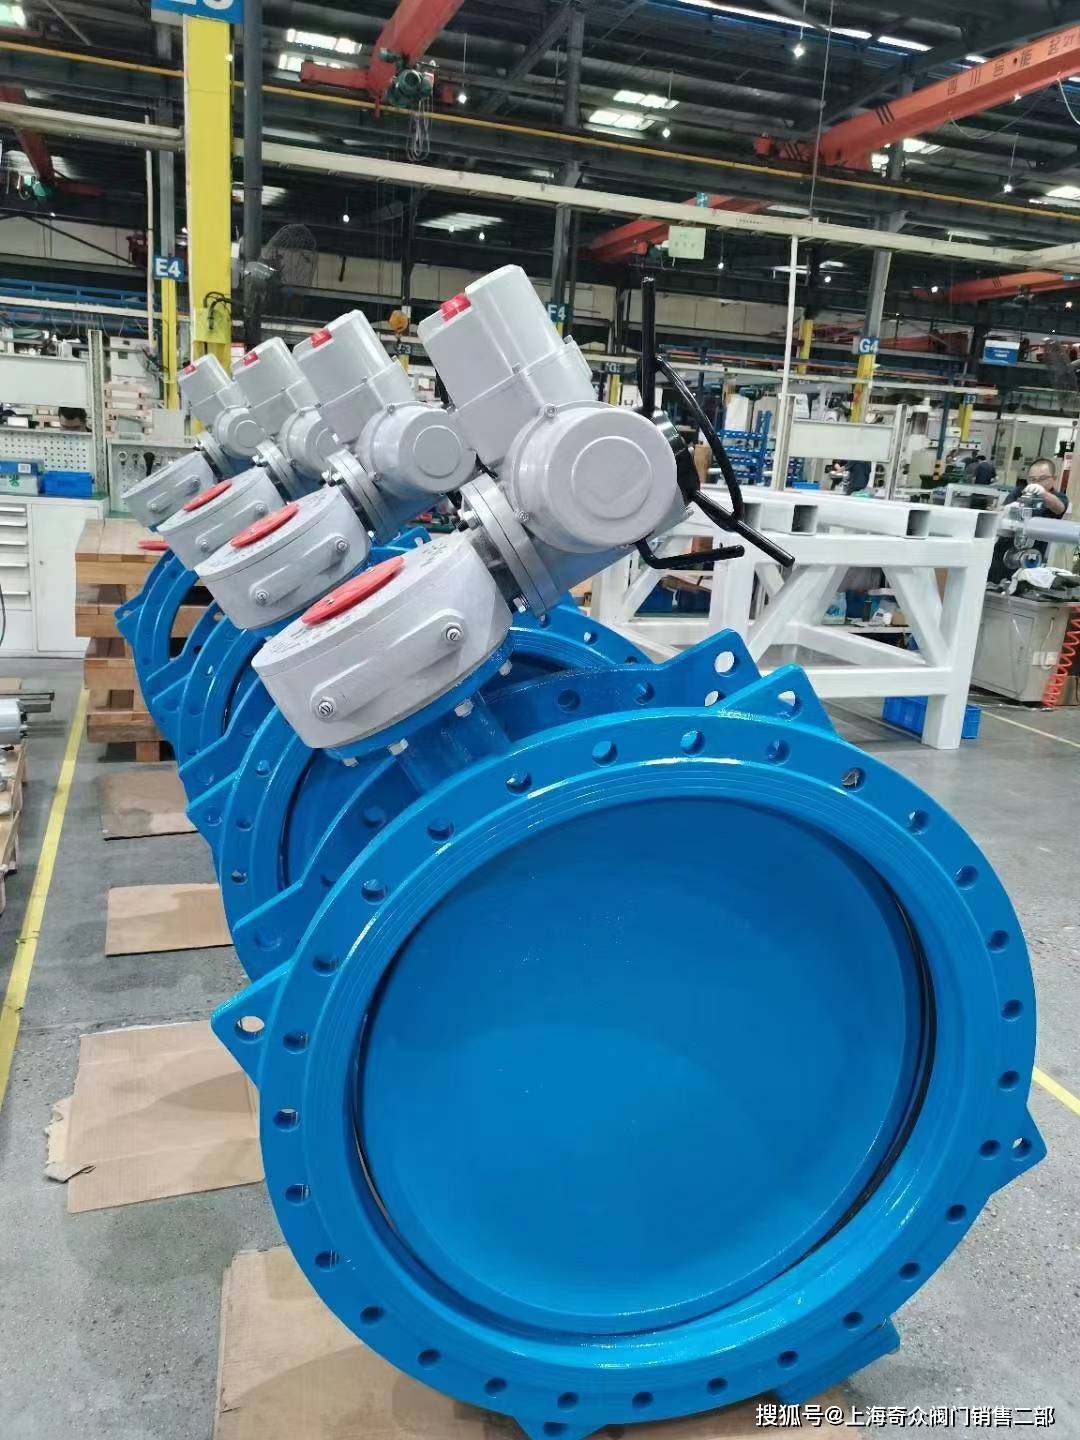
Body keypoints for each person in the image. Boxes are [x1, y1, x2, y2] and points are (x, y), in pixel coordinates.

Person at [988, 457, 1070, 583]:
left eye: (1042, 478)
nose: (1036, 483)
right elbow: (1001, 510)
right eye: (1032, 479)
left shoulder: (1058, 498)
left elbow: (1059, 508)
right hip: (1003, 554)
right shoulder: (1019, 492)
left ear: (1054, 478)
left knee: (1021, 587)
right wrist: (1005, 511)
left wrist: (1043, 494)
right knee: (992, 584)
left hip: (1030, 558)